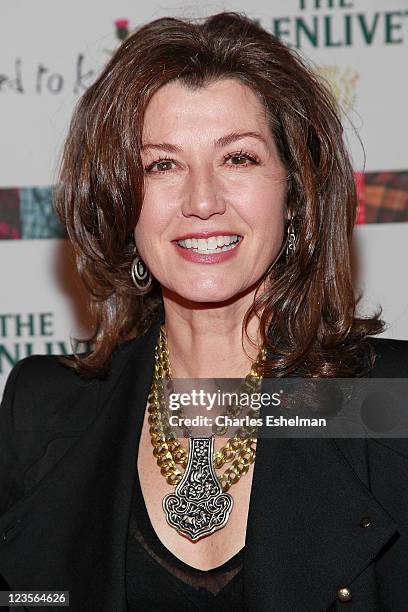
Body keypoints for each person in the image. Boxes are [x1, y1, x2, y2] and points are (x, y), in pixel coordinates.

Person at [0, 11, 408, 612]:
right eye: (161, 164)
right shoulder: (44, 410)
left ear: (294, 192)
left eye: (238, 159)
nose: (201, 201)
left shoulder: (386, 405)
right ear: (121, 201)